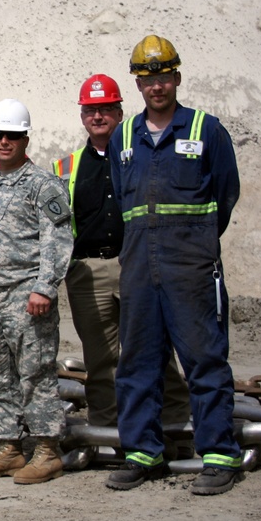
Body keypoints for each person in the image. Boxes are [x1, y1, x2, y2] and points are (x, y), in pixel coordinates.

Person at [106, 35, 242, 495]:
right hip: (141, 267)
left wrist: (196, 243)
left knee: (204, 359)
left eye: (164, 76)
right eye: (147, 78)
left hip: (191, 267)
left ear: (177, 77)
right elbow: (123, 196)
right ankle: (144, 453)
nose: (157, 86)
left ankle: (220, 455)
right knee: (137, 362)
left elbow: (225, 195)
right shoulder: (124, 136)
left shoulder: (207, 130)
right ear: (138, 84)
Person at [53, 75, 191, 437]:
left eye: (105, 109)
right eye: (91, 110)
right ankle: (108, 432)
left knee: (156, 352)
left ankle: (177, 428)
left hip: (139, 266)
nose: (98, 117)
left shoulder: (140, 155)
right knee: (101, 361)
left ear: (119, 110)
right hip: (87, 272)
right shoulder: (65, 167)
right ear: (82, 115)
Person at [0, 99, 73, 484]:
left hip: (27, 295)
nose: (5, 141)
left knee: (35, 371)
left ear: (26, 138)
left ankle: (46, 450)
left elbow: (57, 240)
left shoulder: (44, 185)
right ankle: (9, 446)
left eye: (13, 135)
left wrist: (45, 287)